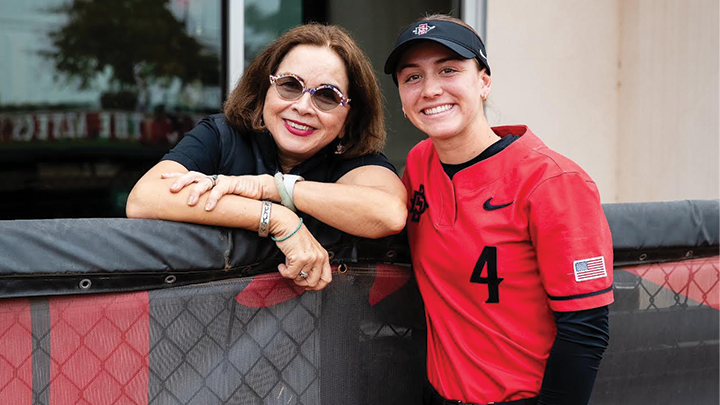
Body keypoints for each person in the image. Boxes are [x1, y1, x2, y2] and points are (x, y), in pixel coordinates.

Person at [384, 15, 613, 405]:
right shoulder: (419, 163)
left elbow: (586, 328)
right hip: (437, 394)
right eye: (413, 78)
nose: (431, 89)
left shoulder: (554, 181)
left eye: (449, 70)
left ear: (484, 82)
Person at [126, 23, 407, 291]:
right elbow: (145, 197)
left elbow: (389, 213)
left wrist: (276, 188)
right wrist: (275, 218)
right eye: (289, 85)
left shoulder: (352, 159)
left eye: (326, 96)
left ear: (349, 118)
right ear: (264, 91)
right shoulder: (224, 135)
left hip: (323, 335)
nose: (303, 106)